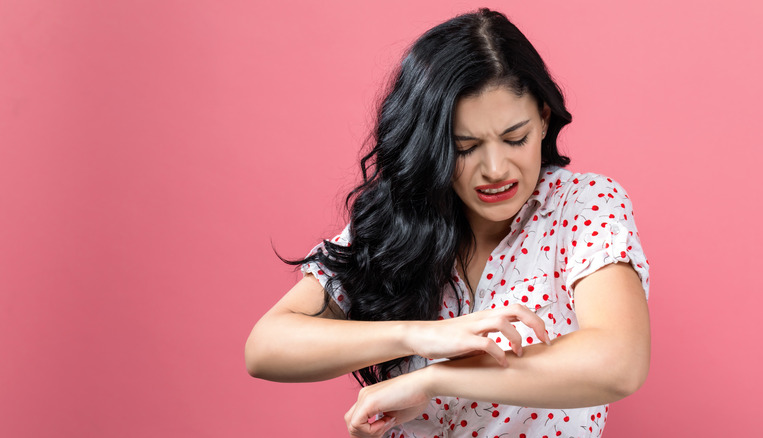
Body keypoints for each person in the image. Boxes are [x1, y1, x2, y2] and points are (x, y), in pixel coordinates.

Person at [245, 8, 650, 438]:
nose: (496, 168)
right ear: (430, 145)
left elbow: (619, 361)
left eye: (516, 138)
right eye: (465, 147)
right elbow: (266, 347)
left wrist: (433, 378)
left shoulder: (583, 207)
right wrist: (422, 337)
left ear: (545, 118)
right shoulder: (400, 222)